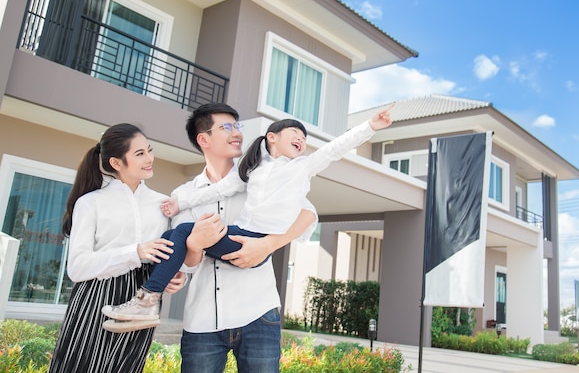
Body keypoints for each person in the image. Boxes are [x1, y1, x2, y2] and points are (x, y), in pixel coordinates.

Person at [101, 104, 393, 334]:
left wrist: (370, 126)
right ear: (272, 138)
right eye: (296, 134)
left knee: (177, 236)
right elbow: (219, 190)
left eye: (304, 139)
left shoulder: (300, 170)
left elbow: (331, 157)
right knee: (175, 236)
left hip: (254, 270)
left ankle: (147, 299)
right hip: (214, 292)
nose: (302, 141)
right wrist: (180, 205)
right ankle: (149, 296)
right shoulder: (252, 171)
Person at [48, 123, 188, 373]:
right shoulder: (91, 202)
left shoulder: (163, 204)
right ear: (116, 162)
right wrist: (135, 252)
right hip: (96, 294)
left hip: (144, 297)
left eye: (149, 150)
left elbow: (172, 253)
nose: (149, 158)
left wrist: (177, 276)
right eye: (139, 154)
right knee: (79, 366)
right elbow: (77, 268)